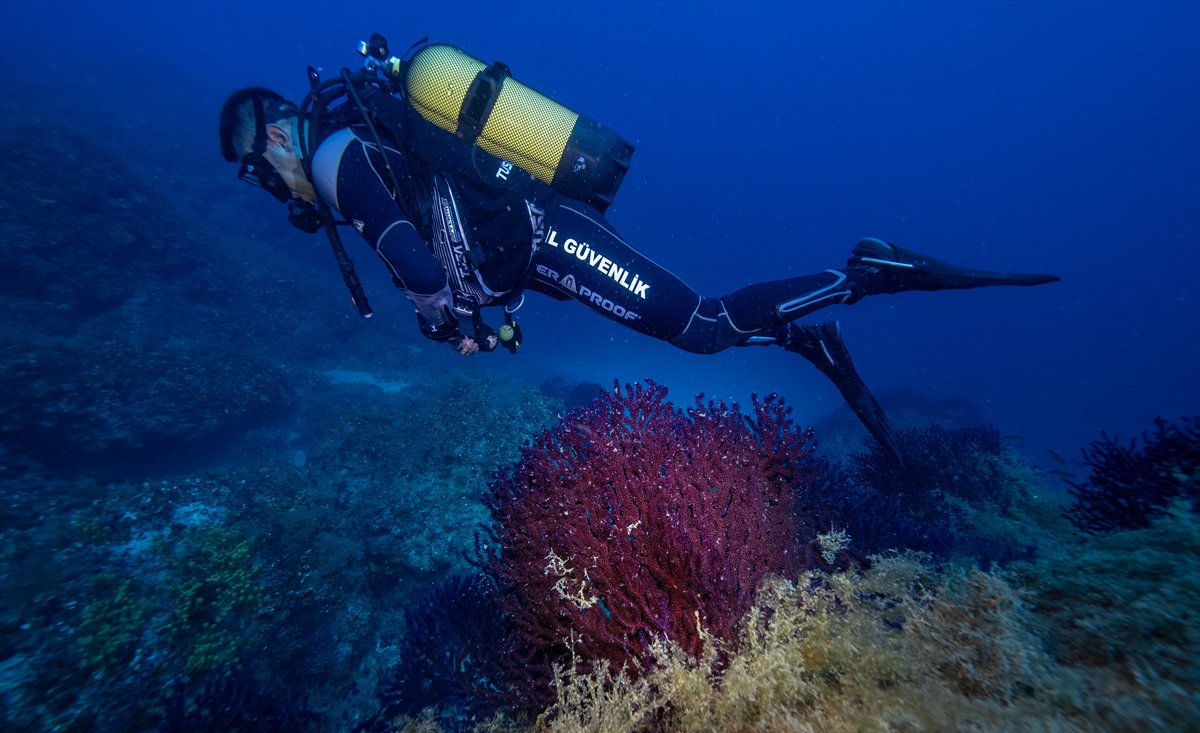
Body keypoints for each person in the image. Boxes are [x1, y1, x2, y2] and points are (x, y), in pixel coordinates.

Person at [219, 61, 1057, 462]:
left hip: (545, 233)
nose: (270, 181)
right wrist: (461, 320)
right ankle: (807, 337)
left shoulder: (332, 157)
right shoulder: (354, 156)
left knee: (701, 326)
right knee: (703, 334)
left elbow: (420, 265)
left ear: (281, 137)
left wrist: (437, 308)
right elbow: (435, 247)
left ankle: (869, 269)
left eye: (261, 165)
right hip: (532, 255)